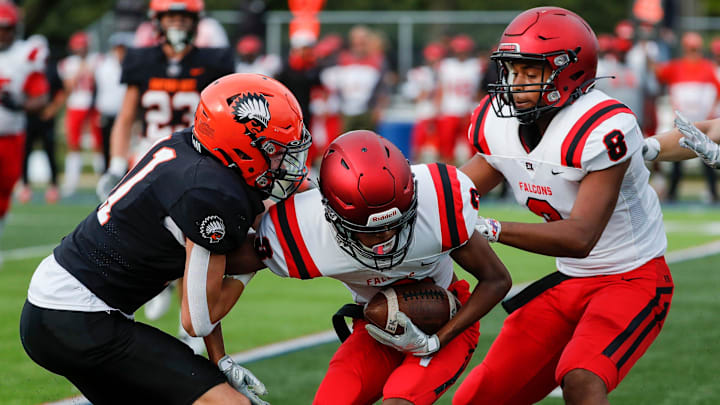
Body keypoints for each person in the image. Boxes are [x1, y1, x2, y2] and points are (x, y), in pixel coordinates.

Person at [19, 72, 312, 405]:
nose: (282, 161)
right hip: (79, 316)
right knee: (230, 404)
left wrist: (219, 359)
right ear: (240, 144)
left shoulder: (193, 148)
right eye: (274, 150)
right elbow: (198, 316)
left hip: (57, 308)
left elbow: (202, 274)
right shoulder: (210, 192)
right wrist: (262, 256)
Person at [453, 7, 673, 405]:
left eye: (529, 72)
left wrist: (486, 227)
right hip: (568, 281)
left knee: (583, 378)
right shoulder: (495, 122)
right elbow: (453, 193)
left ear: (568, 72)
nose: (515, 84)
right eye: (512, 71)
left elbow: (580, 237)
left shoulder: (604, 127)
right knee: (477, 396)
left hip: (632, 278)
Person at [224, 130, 511, 404]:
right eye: (371, 231)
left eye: (395, 225)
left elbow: (497, 279)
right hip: (374, 326)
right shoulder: (303, 230)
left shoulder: (439, 203)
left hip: (447, 320)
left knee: (401, 399)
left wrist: (437, 340)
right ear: (331, 214)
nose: (386, 238)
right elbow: (222, 257)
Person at [96, 0, 236, 351]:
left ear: (195, 21)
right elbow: (126, 116)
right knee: (136, 235)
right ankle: (158, 286)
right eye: (170, 16)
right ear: (157, 21)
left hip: (196, 159)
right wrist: (115, 162)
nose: (176, 23)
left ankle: (192, 321)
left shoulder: (214, 60)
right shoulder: (141, 59)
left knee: (197, 239)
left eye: (183, 17)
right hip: (151, 159)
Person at [0, 1, 49, 265]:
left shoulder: (24, 56)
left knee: (5, 190)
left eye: (5, 28)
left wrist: (18, 103)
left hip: (10, 134)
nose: (1, 33)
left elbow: (40, 98)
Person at [655, 32, 720, 203]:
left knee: (707, 161)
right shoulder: (676, 67)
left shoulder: (707, 67)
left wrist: (710, 115)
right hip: (684, 123)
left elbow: (716, 92)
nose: (693, 53)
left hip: (702, 123)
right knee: (678, 158)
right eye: (691, 49)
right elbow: (657, 73)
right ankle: (672, 194)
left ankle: (712, 194)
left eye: (695, 49)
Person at [57, 31, 103, 197]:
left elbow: (102, 83)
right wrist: (81, 71)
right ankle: (71, 182)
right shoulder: (68, 64)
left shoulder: (97, 60)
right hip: (76, 104)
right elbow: (68, 87)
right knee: (73, 144)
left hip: (94, 104)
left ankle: (102, 181)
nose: (82, 50)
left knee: (99, 143)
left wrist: (90, 72)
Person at [19, 35, 61, 205]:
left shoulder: (51, 69)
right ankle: (25, 185)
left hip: (46, 118)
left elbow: (61, 90)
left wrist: (52, 109)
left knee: (50, 151)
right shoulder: (24, 71)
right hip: (29, 118)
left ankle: (53, 186)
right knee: (25, 152)